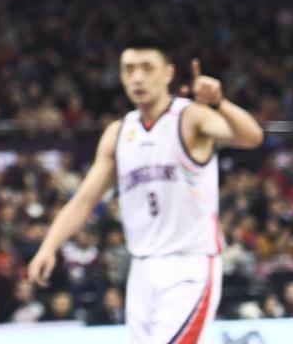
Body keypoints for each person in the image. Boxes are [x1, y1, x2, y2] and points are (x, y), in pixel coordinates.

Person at [27, 31, 264, 343]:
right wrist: (48, 246)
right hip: (141, 269)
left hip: (189, 265)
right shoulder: (118, 132)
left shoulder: (190, 117)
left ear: (168, 73)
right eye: (129, 69)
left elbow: (251, 137)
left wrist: (220, 103)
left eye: (147, 68)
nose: (137, 77)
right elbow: (84, 200)